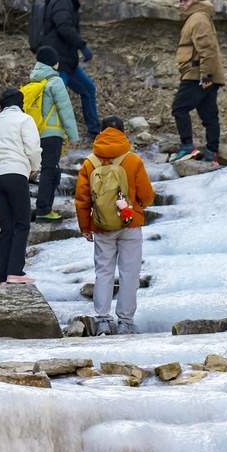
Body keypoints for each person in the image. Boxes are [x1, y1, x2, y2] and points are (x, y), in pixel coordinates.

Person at [75, 116, 155, 336]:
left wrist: (85, 226)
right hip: (130, 223)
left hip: (102, 226)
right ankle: (126, 322)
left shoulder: (90, 162)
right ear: (123, 132)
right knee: (130, 273)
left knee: (103, 272)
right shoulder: (133, 160)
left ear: (100, 132)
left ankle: (102, 320)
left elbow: (82, 199)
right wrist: (136, 207)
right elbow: (147, 195)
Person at [38, 0, 100, 140]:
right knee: (55, 98)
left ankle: (94, 132)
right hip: (58, 62)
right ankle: (48, 137)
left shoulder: (66, 1)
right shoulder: (62, 0)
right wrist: (82, 46)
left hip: (68, 61)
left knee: (88, 89)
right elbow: (64, 27)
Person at [0, 87, 41, 284]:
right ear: (21, 103)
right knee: (22, 223)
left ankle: (3, 275)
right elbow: (33, 148)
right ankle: (16, 271)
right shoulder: (24, 119)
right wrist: (34, 168)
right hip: (16, 172)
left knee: (6, 228)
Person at [22, 51, 79, 221]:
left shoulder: (35, 80)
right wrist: (73, 136)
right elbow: (65, 109)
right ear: (54, 63)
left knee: (47, 170)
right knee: (50, 170)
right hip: (52, 134)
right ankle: (43, 209)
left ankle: (37, 208)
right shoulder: (56, 81)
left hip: (35, 133)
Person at [171, 0, 225, 165]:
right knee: (209, 115)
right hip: (205, 75)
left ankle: (187, 147)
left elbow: (207, 49)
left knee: (179, 108)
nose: (181, 2)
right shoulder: (198, 17)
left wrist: (206, 76)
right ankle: (212, 152)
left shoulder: (198, 18)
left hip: (196, 75)